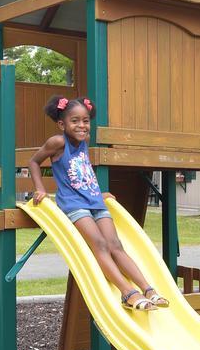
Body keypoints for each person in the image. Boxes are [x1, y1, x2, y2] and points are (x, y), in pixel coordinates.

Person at [29, 95, 169, 311]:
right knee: (101, 245)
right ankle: (128, 293)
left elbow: (82, 170)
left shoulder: (83, 142)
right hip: (74, 204)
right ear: (61, 124)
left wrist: (97, 192)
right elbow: (34, 162)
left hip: (94, 200)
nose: (82, 125)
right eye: (74, 121)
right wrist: (40, 188)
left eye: (85, 121)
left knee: (116, 245)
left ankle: (147, 289)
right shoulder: (57, 142)